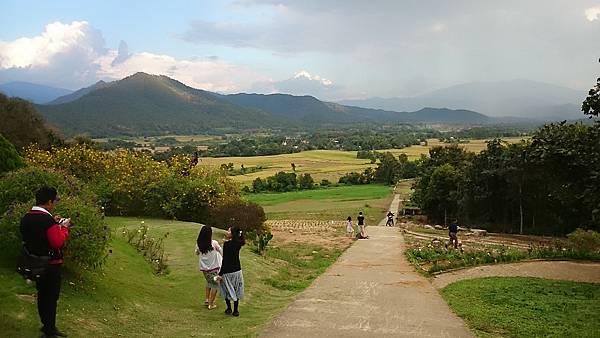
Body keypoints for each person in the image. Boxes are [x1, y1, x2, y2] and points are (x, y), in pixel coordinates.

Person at [20, 187, 71, 338]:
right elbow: (57, 242)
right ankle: (49, 330)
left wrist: (54, 225)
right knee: (50, 297)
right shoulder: (46, 220)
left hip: (35, 263)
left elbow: (33, 235)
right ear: (49, 201)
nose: (54, 204)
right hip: (51, 264)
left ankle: (47, 325)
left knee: (42, 295)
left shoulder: (27, 217)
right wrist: (64, 228)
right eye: (54, 201)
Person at [217, 226, 245, 317]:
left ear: (232, 234)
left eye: (229, 231)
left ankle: (229, 308)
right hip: (237, 270)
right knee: (236, 289)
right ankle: (236, 310)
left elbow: (225, 261)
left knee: (227, 289)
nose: (227, 232)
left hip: (228, 272)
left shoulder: (227, 245)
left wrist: (220, 273)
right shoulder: (238, 244)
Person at [195, 225, 222, 310]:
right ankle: (211, 304)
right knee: (215, 285)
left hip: (204, 269)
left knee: (209, 282)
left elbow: (196, 253)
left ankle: (207, 299)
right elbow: (220, 250)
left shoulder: (199, 244)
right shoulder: (213, 243)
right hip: (214, 268)